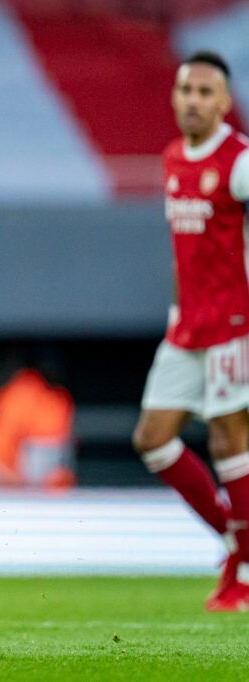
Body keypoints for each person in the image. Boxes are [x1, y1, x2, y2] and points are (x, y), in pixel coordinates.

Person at [131, 51, 249, 612]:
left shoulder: (239, 162)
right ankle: (236, 538)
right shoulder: (173, 158)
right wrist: (178, 310)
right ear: (174, 97)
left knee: (230, 439)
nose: (195, 101)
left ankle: (245, 573)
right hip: (187, 325)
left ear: (225, 103)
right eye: (186, 91)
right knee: (152, 438)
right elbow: (184, 253)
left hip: (233, 324)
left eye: (206, 93)